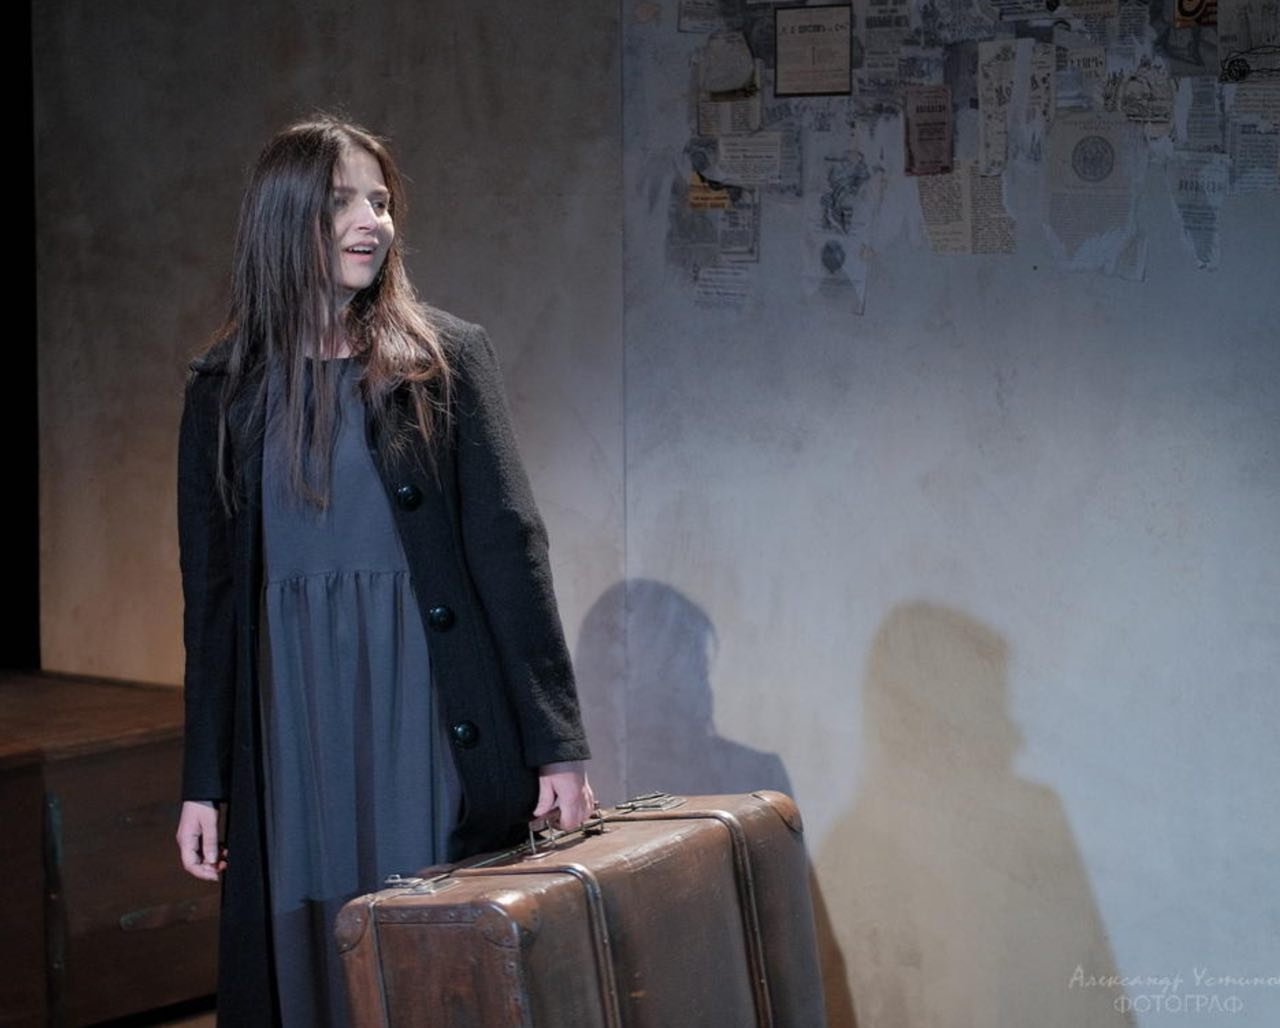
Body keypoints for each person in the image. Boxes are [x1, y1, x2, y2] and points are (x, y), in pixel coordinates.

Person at [173, 116, 594, 1027]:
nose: (373, 221)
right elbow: (209, 605)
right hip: (291, 718)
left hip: (424, 705)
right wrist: (204, 781)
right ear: (285, 218)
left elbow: (511, 551)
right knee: (307, 954)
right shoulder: (223, 389)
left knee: (430, 943)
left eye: (381, 200)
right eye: (342, 202)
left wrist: (556, 743)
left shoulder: (443, 361)